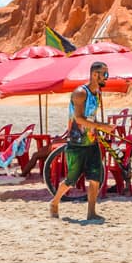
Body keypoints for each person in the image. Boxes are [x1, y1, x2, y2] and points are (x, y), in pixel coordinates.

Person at [49, 62, 118, 221]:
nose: (106, 77)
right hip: (76, 144)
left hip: (92, 142)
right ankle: (54, 202)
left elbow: (91, 117)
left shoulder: (97, 93)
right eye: (104, 74)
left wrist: (101, 128)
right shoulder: (80, 93)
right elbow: (79, 119)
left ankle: (91, 212)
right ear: (95, 75)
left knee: (95, 177)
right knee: (71, 180)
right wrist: (101, 126)